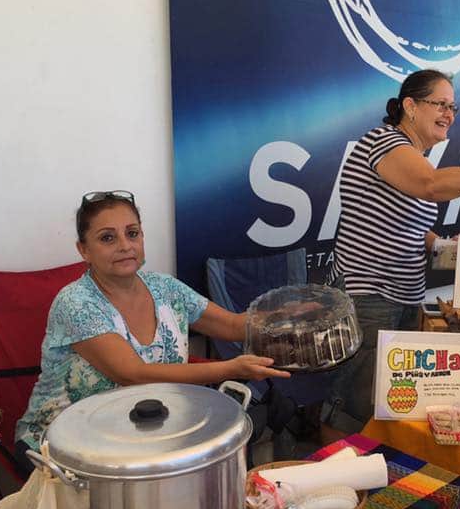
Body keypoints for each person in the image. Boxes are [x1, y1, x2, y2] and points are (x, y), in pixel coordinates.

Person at [322, 69, 460, 440]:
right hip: (369, 297)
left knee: (392, 403)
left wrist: (441, 246)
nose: (449, 113)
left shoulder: (413, 155)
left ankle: (374, 479)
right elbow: (430, 186)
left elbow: (407, 223)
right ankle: (333, 483)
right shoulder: (384, 141)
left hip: (405, 298)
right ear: (410, 106)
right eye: (440, 104)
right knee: (351, 405)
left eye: (453, 107)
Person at [15, 191, 288, 458]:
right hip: (62, 446)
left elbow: (231, 326)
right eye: (107, 238)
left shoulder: (165, 287)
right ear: (83, 250)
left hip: (145, 438)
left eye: (132, 233)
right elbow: (133, 374)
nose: (124, 245)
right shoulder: (75, 303)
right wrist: (230, 369)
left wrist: (289, 317)